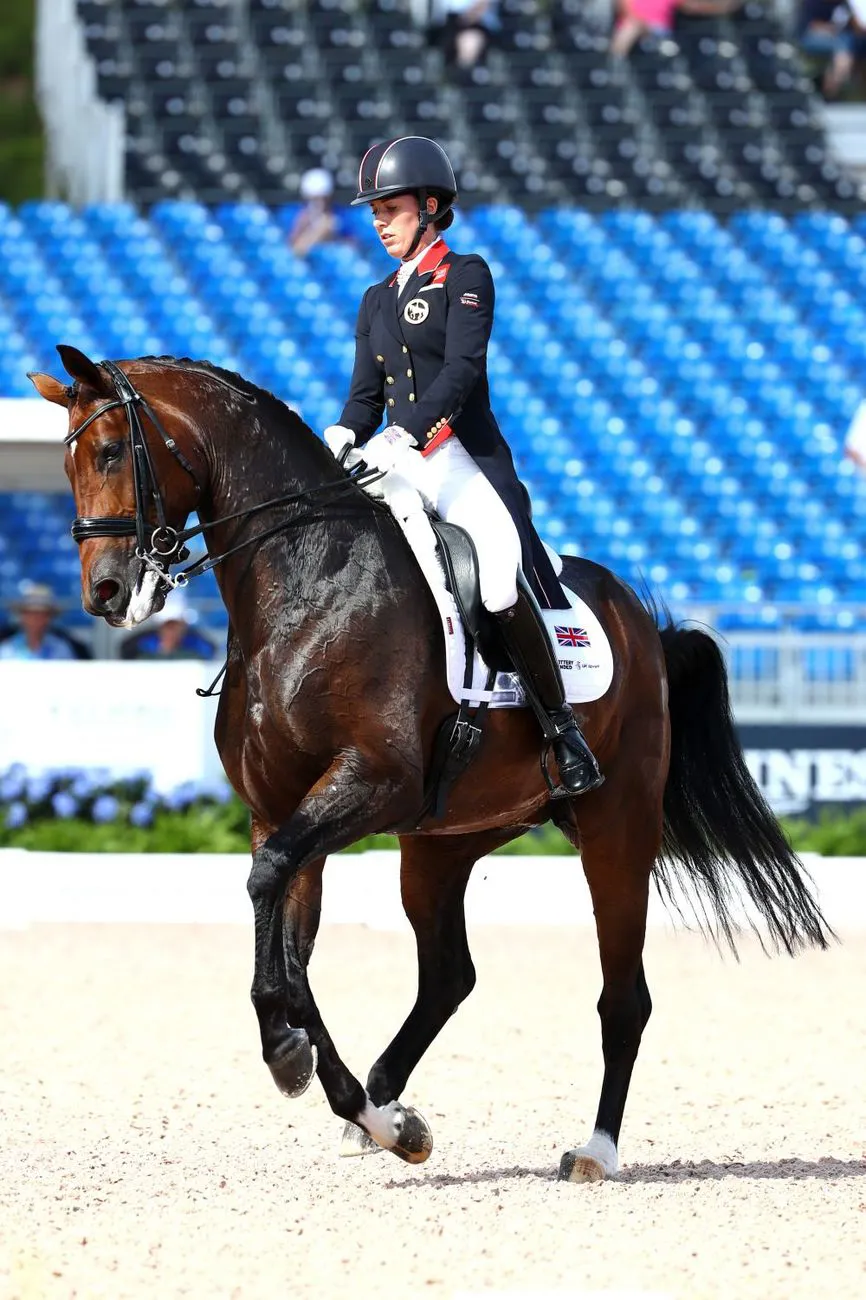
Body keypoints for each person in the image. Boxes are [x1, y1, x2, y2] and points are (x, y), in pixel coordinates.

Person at [321, 136, 603, 797]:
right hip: (394, 455)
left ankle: (562, 731)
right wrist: (341, 433)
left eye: (388, 208)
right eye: (374, 212)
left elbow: (461, 371)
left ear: (429, 205)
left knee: (500, 580)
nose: (378, 221)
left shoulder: (466, 275)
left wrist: (404, 436)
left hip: (455, 457)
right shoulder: (375, 298)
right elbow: (365, 394)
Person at [610, 0, 744, 60]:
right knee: (631, 26)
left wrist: (722, 8)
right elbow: (626, 9)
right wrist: (641, 23)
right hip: (636, 25)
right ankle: (615, 62)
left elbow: (692, 7)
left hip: (661, 31)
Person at [0, 581, 90, 660]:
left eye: (42, 614)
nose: (36, 619)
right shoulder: (6, 650)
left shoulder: (61, 649)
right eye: (31, 613)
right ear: (22, 616)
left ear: (49, 617)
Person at [794, 0, 866, 98]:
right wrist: (832, 29)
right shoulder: (812, 2)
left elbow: (855, 25)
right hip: (810, 37)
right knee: (842, 54)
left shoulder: (843, 3)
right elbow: (811, 26)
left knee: (853, 45)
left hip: (839, 39)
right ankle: (829, 95)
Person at [120, 591, 218, 661]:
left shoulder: (196, 643)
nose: (171, 632)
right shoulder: (140, 644)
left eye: (175, 626)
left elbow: (209, 651)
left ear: (182, 627)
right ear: (160, 627)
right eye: (168, 626)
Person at [288, 167, 342, 257]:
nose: (318, 203)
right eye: (313, 199)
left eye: (322, 198)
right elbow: (294, 247)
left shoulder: (337, 215)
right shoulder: (301, 216)